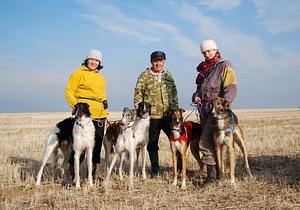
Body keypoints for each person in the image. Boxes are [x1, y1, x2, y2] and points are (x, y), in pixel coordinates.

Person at [191, 39, 237, 187]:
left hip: (217, 113)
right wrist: (196, 96)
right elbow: (200, 89)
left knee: (204, 142)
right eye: (204, 52)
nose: (207, 54)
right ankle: (219, 175)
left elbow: (231, 88)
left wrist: (223, 107)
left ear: (216, 50)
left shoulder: (224, 66)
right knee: (212, 144)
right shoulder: (204, 70)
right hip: (204, 111)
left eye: (209, 50)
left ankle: (211, 178)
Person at [65, 49, 108, 184]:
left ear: (99, 62)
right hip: (83, 117)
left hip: (99, 116)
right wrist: (76, 107)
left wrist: (105, 110)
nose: (94, 62)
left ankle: (92, 175)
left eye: (97, 60)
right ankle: (72, 175)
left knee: (96, 147)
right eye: (91, 59)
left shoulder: (101, 78)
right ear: (87, 60)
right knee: (79, 147)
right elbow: (69, 91)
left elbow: (102, 96)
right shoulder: (78, 73)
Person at [134, 51, 179, 177]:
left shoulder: (168, 75)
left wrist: (175, 110)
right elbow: (138, 93)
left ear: (164, 62)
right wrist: (140, 112)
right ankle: (155, 170)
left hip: (167, 115)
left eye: (160, 61)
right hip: (152, 116)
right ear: (151, 62)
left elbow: (174, 93)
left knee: (176, 141)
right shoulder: (145, 75)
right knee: (152, 144)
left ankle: (179, 168)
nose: (158, 63)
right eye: (155, 61)